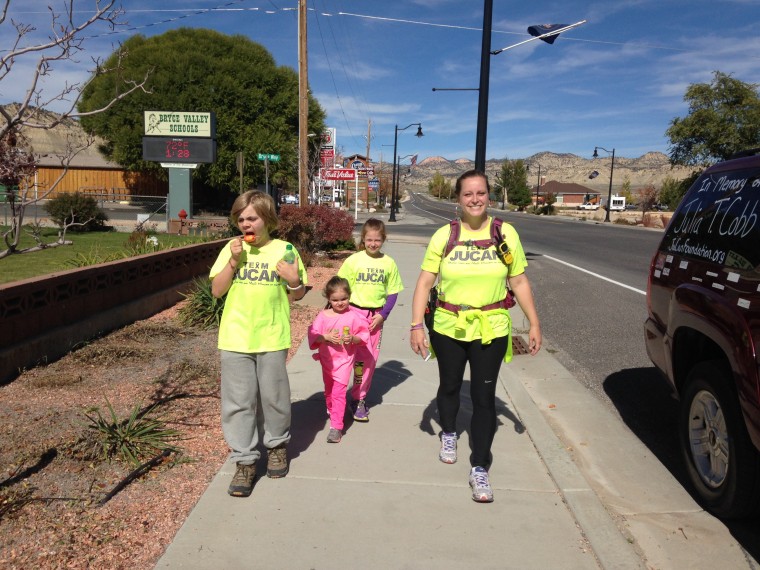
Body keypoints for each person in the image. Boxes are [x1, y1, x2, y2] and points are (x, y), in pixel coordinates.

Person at [409, 170, 542, 503]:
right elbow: (425, 282)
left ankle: (480, 467)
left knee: (485, 399)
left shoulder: (504, 233)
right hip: (448, 326)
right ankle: (450, 432)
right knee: (450, 385)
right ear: (458, 199)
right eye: (468, 193)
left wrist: (534, 323)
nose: (475, 199)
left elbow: (520, 281)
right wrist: (415, 325)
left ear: (489, 196)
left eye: (480, 193)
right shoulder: (445, 235)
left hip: (491, 328)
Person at [210, 190, 307, 498]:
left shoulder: (286, 249)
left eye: (251, 218)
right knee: (238, 402)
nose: (245, 224)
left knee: (274, 397)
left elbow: (298, 294)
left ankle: (277, 446)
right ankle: (245, 461)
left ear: (267, 218)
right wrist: (234, 262)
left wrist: (293, 279)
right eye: (240, 219)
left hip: (271, 335)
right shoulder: (232, 248)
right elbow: (216, 290)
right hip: (235, 336)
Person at [337, 218, 404, 421]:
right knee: (343, 358)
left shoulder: (388, 263)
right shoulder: (354, 260)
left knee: (366, 362)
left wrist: (383, 315)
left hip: (374, 319)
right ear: (363, 239)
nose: (373, 244)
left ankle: (359, 399)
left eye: (377, 240)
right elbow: (340, 287)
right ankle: (337, 397)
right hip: (352, 314)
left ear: (383, 239)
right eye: (369, 240)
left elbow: (393, 293)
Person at [308, 276, 370, 443]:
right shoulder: (323, 316)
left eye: (344, 299)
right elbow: (313, 334)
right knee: (329, 390)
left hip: (344, 360)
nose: (340, 303)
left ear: (349, 296)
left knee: (338, 393)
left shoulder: (354, 317)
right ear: (328, 299)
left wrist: (353, 339)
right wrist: (325, 337)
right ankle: (332, 409)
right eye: (335, 300)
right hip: (327, 359)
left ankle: (336, 427)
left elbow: (363, 336)